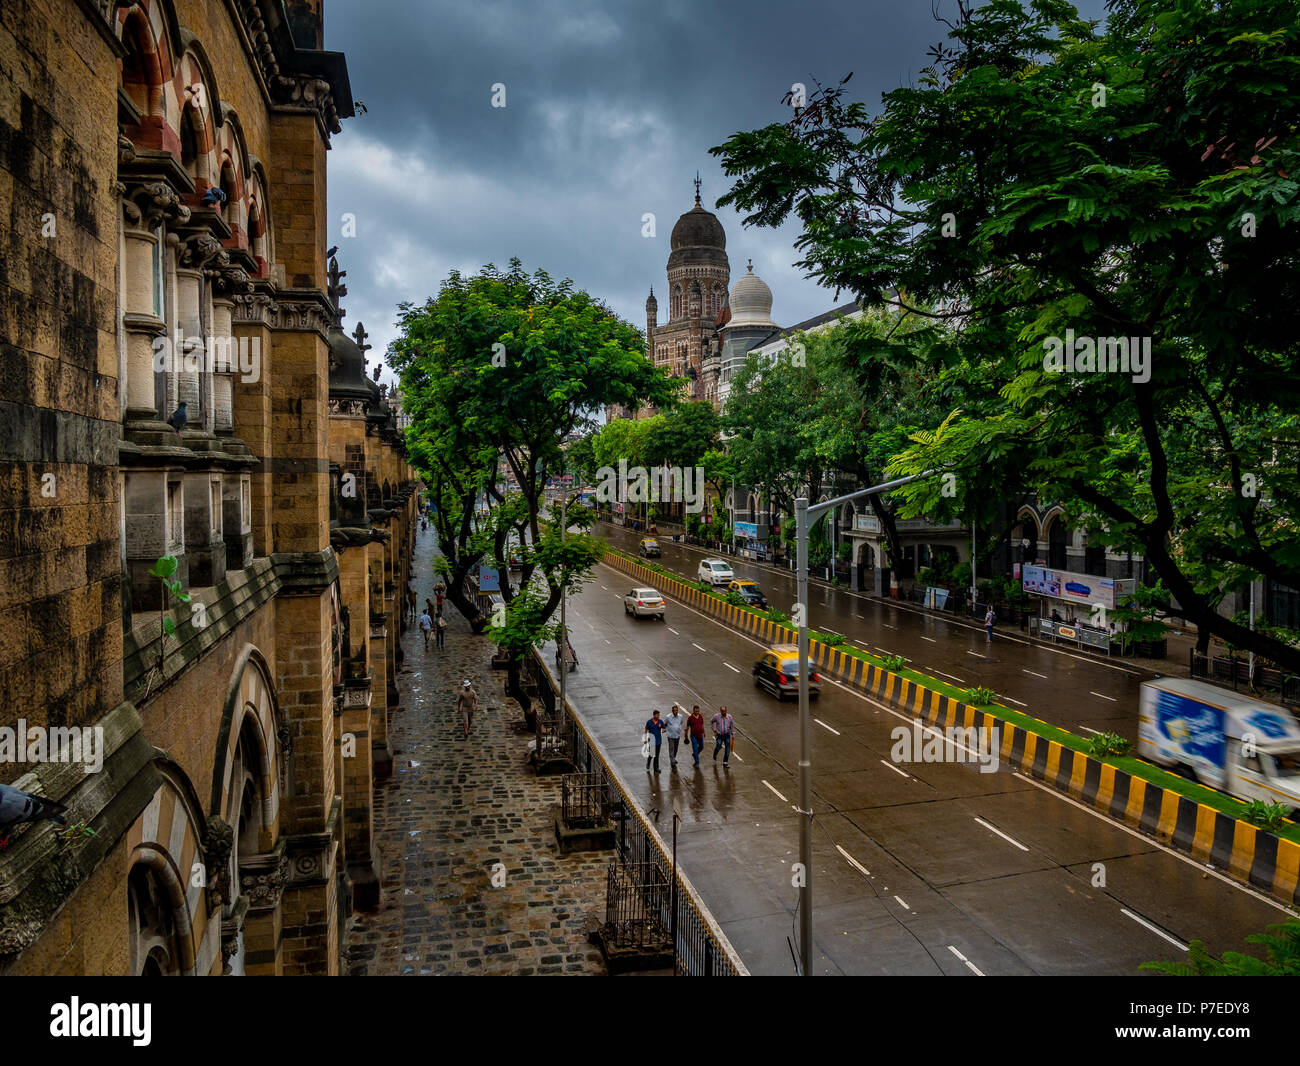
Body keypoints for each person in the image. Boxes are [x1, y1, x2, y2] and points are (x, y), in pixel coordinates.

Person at [643, 708, 665, 773]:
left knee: (657, 755)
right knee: (652, 754)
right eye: (657, 715)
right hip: (652, 740)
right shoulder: (649, 722)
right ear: (654, 715)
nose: (658, 716)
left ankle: (656, 768)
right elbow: (646, 730)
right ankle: (648, 763)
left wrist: (664, 730)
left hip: (658, 741)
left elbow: (664, 728)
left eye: (659, 715)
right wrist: (645, 739)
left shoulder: (660, 721)